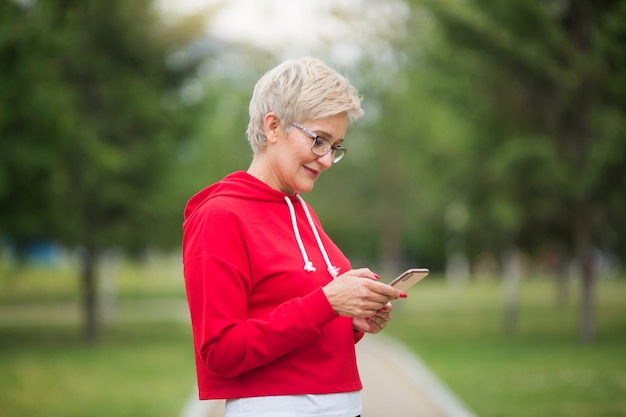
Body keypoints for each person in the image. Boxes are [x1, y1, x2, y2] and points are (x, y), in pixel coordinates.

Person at [182, 57, 407, 417]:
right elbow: (220, 351)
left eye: (335, 146)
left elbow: (297, 317)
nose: (327, 159)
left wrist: (347, 321)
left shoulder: (300, 209)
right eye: (320, 140)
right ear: (273, 126)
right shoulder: (220, 216)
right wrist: (327, 304)